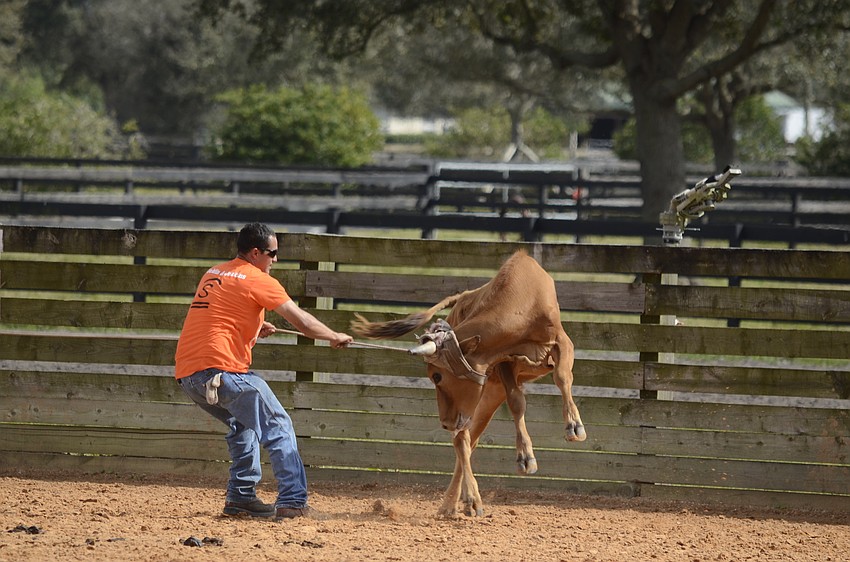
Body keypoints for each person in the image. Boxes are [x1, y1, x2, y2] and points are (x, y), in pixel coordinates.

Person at [174, 222, 353, 521]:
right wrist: (333, 335)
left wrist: (255, 325)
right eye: (272, 253)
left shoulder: (214, 273)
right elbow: (302, 322)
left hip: (190, 376)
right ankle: (293, 501)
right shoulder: (258, 279)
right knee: (278, 425)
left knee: (243, 425)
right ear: (256, 253)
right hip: (223, 372)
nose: (276, 260)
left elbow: (221, 315)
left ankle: (241, 498)